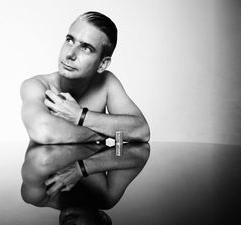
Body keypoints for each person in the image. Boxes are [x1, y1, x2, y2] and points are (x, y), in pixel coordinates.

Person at [20, 11, 150, 144]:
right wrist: (102, 132)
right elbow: (43, 132)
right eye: (70, 40)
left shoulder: (106, 82)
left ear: (102, 64)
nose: (70, 54)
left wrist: (80, 116)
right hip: (50, 164)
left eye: (86, 48)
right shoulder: (37, 85)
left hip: (90, 164)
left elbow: (142, 131)